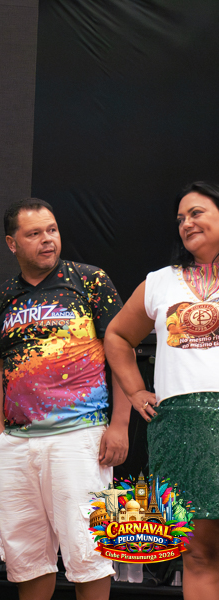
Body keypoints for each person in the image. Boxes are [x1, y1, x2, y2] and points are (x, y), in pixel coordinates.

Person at [0, 198, 131, 600]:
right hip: (16, 443)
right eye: (34, 234)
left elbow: (121, 351)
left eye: (52, 230)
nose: (47, 239)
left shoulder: (89, 280)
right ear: (12, 243)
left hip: (79, 436)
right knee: (25, 556)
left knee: (89, 550)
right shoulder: (2, 296)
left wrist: (120, 425)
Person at [104, 181, 219, 599]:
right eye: (181, 218)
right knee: (198, 552)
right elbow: (117, 336)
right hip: (181, 429)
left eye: (196, 213)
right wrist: (136, 391)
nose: (186, 223)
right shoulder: (160, 282)